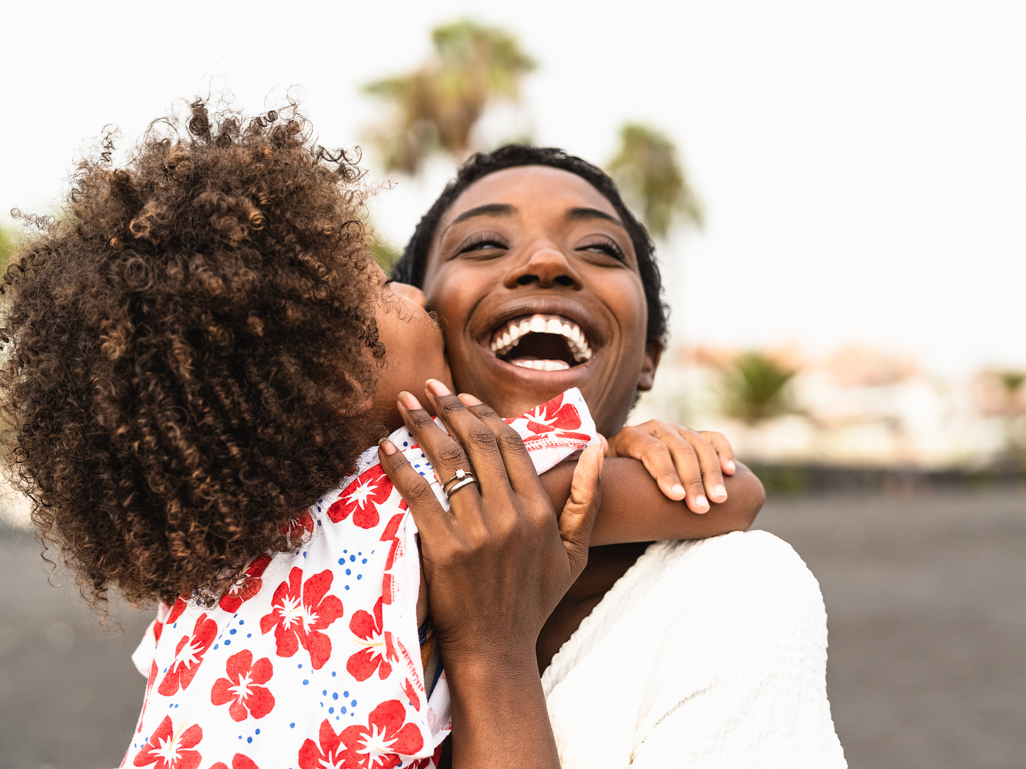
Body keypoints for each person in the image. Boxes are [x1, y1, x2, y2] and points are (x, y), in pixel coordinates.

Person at [0, 102, 762, 768]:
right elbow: (721, 494)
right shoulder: (426, 490)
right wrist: (633, 446)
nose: (406, 290)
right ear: (336, 378)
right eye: (375, 288)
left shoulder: (203, 597)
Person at [389, 144, 848, 767]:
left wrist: (491, 655)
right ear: (418, 316)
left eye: (600, 250)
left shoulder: (729, 592)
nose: (546, 262)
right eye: (483, 245)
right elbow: (740, 491)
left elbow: (734, 491)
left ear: (650, 357)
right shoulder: (294, 535)